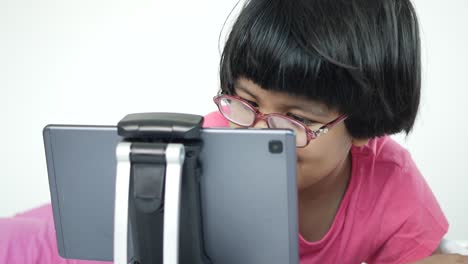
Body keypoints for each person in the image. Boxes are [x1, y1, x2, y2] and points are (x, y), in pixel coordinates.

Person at [1, 0, 467, 263]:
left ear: (367, 128)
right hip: (54, 245)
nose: (257, 130)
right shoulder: (205, 150)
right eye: (245, 102)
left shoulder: (390, 183)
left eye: (297, 119)